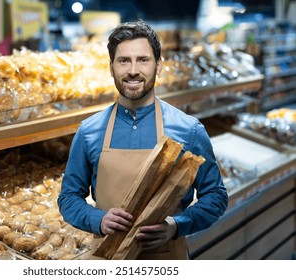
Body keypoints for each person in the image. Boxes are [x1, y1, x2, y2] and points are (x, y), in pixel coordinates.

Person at [57, 20, 228, 260]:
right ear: (111, 68)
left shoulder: (189, 130)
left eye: (143, 60)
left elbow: (216, 196)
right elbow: (68, 198)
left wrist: (176, 225)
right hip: (107, 258)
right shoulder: (89, 132)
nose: (133, 70)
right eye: (124, 60)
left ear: (158, 66)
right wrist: (98, 219)